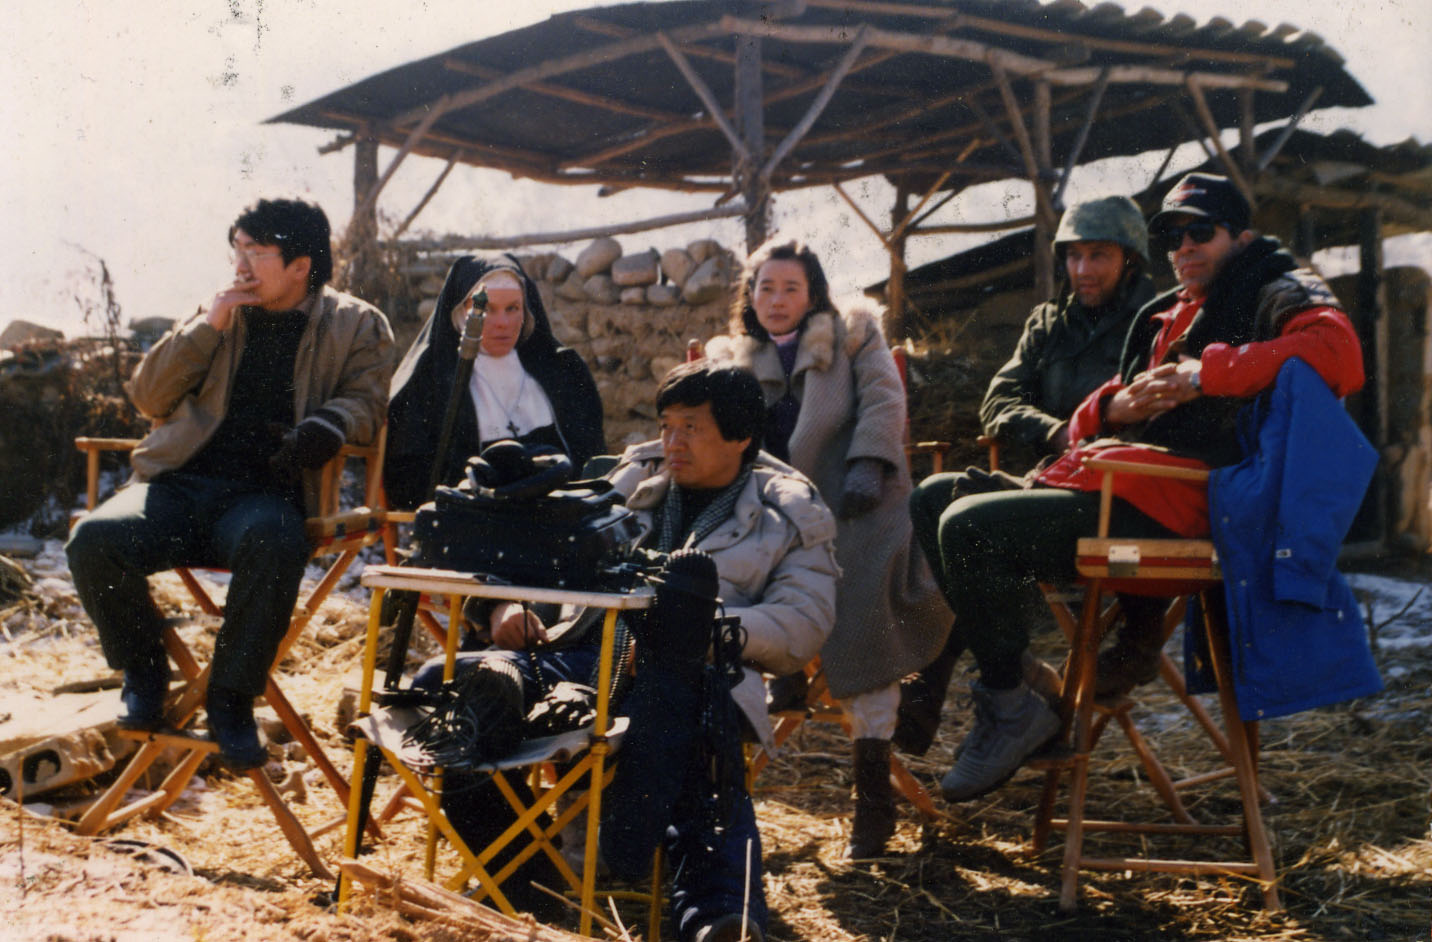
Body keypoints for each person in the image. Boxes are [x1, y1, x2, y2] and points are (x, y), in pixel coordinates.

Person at [912, 172, 1365, 803]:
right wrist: (1113, 407)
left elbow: (1340, 355)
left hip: (1198, 509)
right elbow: (1109, 411)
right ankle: (1025, 690)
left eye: (1200, 231)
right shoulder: (1166, 312)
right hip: (1129, 484)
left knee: (970, 528)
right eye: (1172, 236)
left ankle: (1011, 707)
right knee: (933, 498)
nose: (1184, 247)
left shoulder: (1273, 283)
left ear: (1243, 234)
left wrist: (1209, 374)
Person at [414, 361, 838, 942]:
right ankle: (514, 876)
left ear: (741, 436)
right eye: (666, 426)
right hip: (583, 654)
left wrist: (690, 630)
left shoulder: (786, 510)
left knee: (693, 712)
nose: (672, 442)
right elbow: (534, 559)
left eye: (690, 427)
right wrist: (507, 610)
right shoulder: (627, 483)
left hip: (702, 672)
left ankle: (714, 916)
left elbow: (803, 623)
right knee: (441, 683)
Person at [66, 198, 395, 769]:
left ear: (300, 265)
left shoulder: (356, 322)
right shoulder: (217, 310)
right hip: (179, 485)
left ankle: (231, 697)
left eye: (258, 252)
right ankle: (145, 673)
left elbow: (368, 400)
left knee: (276, 539)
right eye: (237, 249)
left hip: (265, 496)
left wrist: (329, 423)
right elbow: (148, 397)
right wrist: (206, 327)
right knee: (92, 540)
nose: (241, 265)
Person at [704, 240, 950, 858]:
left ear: (813, 293)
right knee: (726, 589)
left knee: (863, 601)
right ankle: (777, 674)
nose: (778, 300)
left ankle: (872, 800)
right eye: (766, 288)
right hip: (776, 517)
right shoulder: (736, 362)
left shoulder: (852, 336)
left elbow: (884, 399)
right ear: (750, 297)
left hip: (856, 503)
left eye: (791, 288)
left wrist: (869, 463)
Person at [897, 195, 1158, 756]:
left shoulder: (1155, 323)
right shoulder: (1049, 324)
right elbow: (1001, 401)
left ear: (1130, 259)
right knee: (931, 498)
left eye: (1099, 256)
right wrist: (1060, 432)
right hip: (1056, 479)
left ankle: (962, 678)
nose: (1083, 270)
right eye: (1074, 256)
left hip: (1121, 500)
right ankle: (1016, 674)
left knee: (973, 526)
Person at [383, 254, 604, 511]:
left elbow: (592, 466)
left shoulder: (564, 371)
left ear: (526, 311)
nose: (502, 323)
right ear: (460, 313)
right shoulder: (430, 383)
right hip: (473, 528)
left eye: (513, 308)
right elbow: (409, 489)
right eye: (487, 309)